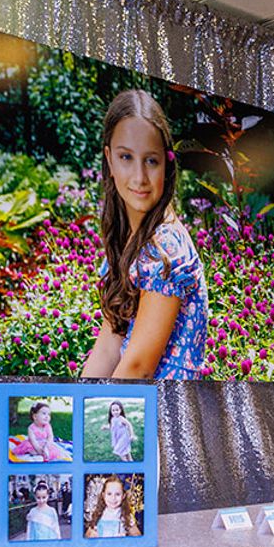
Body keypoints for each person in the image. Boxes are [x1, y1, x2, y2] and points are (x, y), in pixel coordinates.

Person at [79, 90, 208, 380]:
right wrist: (78, 407)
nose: (139, 177)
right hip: (132, 403)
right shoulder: (130, 241)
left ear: (167, 163)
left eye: (151, 161)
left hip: (162, 413)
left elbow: (139, 367)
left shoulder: (165, 247)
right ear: (109, 160)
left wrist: (93, 420)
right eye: (126, 157)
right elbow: (108, 349)